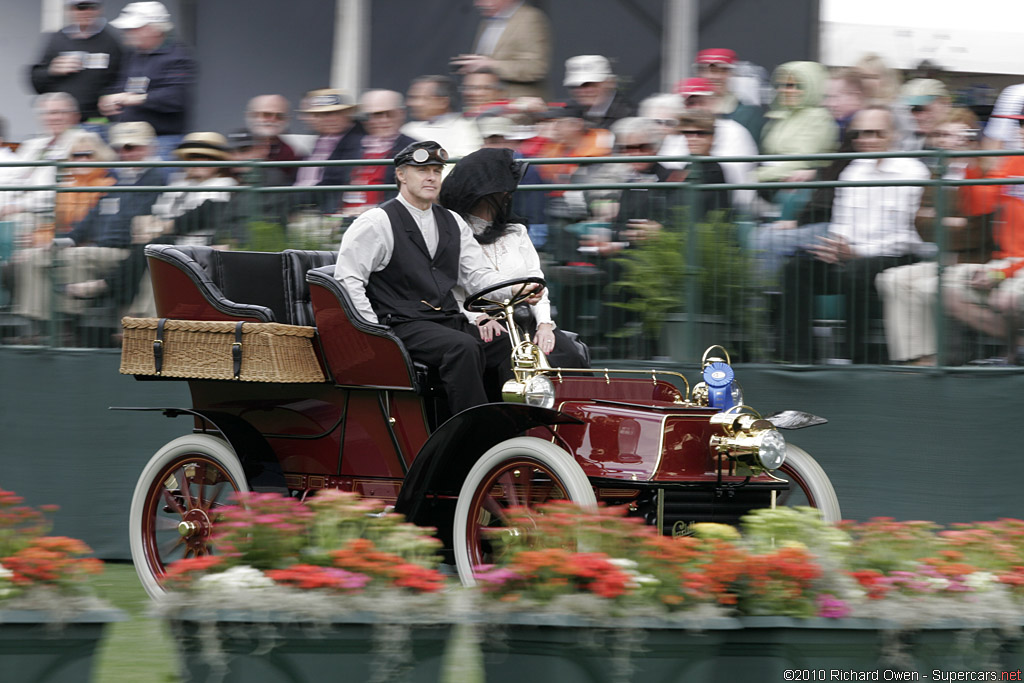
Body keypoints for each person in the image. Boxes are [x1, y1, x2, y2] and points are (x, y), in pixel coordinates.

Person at [335, 141, 537, 414]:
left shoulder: (453, 221)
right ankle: (473, 433)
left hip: (446, 320)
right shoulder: (376, 222)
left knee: (507, 343)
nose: (431, 176)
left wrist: (516, 290)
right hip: (401, 324)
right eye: (422, 170)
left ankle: (516, 420)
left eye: (436, 170)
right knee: (462, 347)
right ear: (401, 175)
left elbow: (477, 275)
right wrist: (374, 334)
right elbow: (349, 280)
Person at [778, 106, 930, 364]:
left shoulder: (913, 172)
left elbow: (907, 234)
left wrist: (858, 253)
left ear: (893, 134)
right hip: (852, 255)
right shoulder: (852, 171)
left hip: (896, 257)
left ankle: (855, 358)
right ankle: (798, 359)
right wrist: (837, 247)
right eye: (860, 134)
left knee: (856, 271)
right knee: (797, 267)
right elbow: (842, 222)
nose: (866, 140)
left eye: (875, 133)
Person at [11, 121, 164, 338]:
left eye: (131, 147)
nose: (125, 153)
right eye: (120, 148)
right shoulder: (118, 179)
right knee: (34, 257)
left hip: (128, 251)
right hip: (100, 249)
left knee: (77, 256)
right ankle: (38, 326)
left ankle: (66, 326)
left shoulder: (158, 178)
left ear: (148, 147)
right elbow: (88, 223)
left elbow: (134, 227)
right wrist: (56, 242)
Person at [439, 147, 588, 368]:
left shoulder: (516, 232)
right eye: (504, 191)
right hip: (481, 322)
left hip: (526, 319)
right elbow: (451, 289)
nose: (509, 195)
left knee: (569, 357)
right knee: (516, 363)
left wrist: (545, 324)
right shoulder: (453, 233)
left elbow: (537, 282)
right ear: (486, 195)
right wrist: (476, 319)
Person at [876, 108, 996, 365]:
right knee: (889, 279)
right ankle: (915, 358)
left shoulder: (984, 175)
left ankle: (941, 359)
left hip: (978, 261)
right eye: (940, 134)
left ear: (969, 138)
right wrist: (952, 223)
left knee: (925, 288)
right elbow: (920, 224)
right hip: (944, 259)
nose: (944, 141)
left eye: (953, 135)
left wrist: (941, 221)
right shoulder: (937, 174)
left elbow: (979, 233)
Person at [942, 105, 1024, 363]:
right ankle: (1017, 348)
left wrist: (1001, 273)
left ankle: (1013, 354)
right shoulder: (1014, 161)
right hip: (1008, 262)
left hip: (1012, 267)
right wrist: (971, 161)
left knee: (1007, 299)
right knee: (946, 290)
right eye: (1020, 125)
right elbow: (977, 205)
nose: (1021, 131)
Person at [99, 1, 196, 162]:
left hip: (162, 142)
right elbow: (120, 85)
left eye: (133, 29)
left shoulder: (178, 56)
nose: (127, 33)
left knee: (156, 186)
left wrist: (136, 99)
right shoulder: (133, 54)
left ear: (153, 29)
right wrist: (109, 99)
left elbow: (176, 97)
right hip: (127, 141)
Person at [28, 0, 125, 126]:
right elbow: (36, 80)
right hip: (63, 123)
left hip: (96, 123)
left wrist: (109, 96)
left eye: (92, 7)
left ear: (100, 10)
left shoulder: (112, 41)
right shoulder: (57, 40)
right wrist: (52, 70)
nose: (87, 12)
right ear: (69, 10)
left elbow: (123, 76)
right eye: (81, 7)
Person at [0, 93, 82, 230]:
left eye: (60, 112)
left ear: (74, 117)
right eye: (49, 113)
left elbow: (60, 193)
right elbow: (13, 180)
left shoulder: (82, 145)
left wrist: (19, 206)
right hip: (18, 208)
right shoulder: (32, 145)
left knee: (14, 223)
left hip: (51, 215)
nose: (54, 118)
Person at [450, 0, 552, 100]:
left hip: (517, 105)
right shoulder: (487, 22)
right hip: (485, 105)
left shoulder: (529, 18)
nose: (478, 4)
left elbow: (536, 68)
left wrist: (491, 65)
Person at [340, 89, 416, 216]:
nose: (382, 120)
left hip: (386, 218)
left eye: (389, 114)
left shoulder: (412, 148)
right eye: (375, 115)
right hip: (344, 218)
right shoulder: (351, 144)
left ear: (401, 114)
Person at [293, 89, 364, 191]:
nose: (331, 119)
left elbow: (336, 179)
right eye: (324, 114)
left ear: (348, 113)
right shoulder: (319, 139)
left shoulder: (358, 140)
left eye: (336, 113)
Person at [693, 48, 765, 144]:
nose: (716, 77)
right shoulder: (687, 108)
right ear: (699, 73)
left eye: (723, 71)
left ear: (731, 73)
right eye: (710, 71)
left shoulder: (748, 114)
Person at [401, 75, 482, 161]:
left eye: (419, 98)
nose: (411, 103)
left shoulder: (469, 128)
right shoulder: (408, 129)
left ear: (442, 102)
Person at [563, 55, 633, 130]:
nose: (583, 91)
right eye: (575, 86)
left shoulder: (629, 117)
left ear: (610, 83)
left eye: (590, 84)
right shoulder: (566, 113)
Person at [245, 94, 300, 184]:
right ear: (252, 115)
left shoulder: (290, 154)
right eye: (267, 114)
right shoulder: (235, 143)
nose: (273, 119)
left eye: (279, 116)